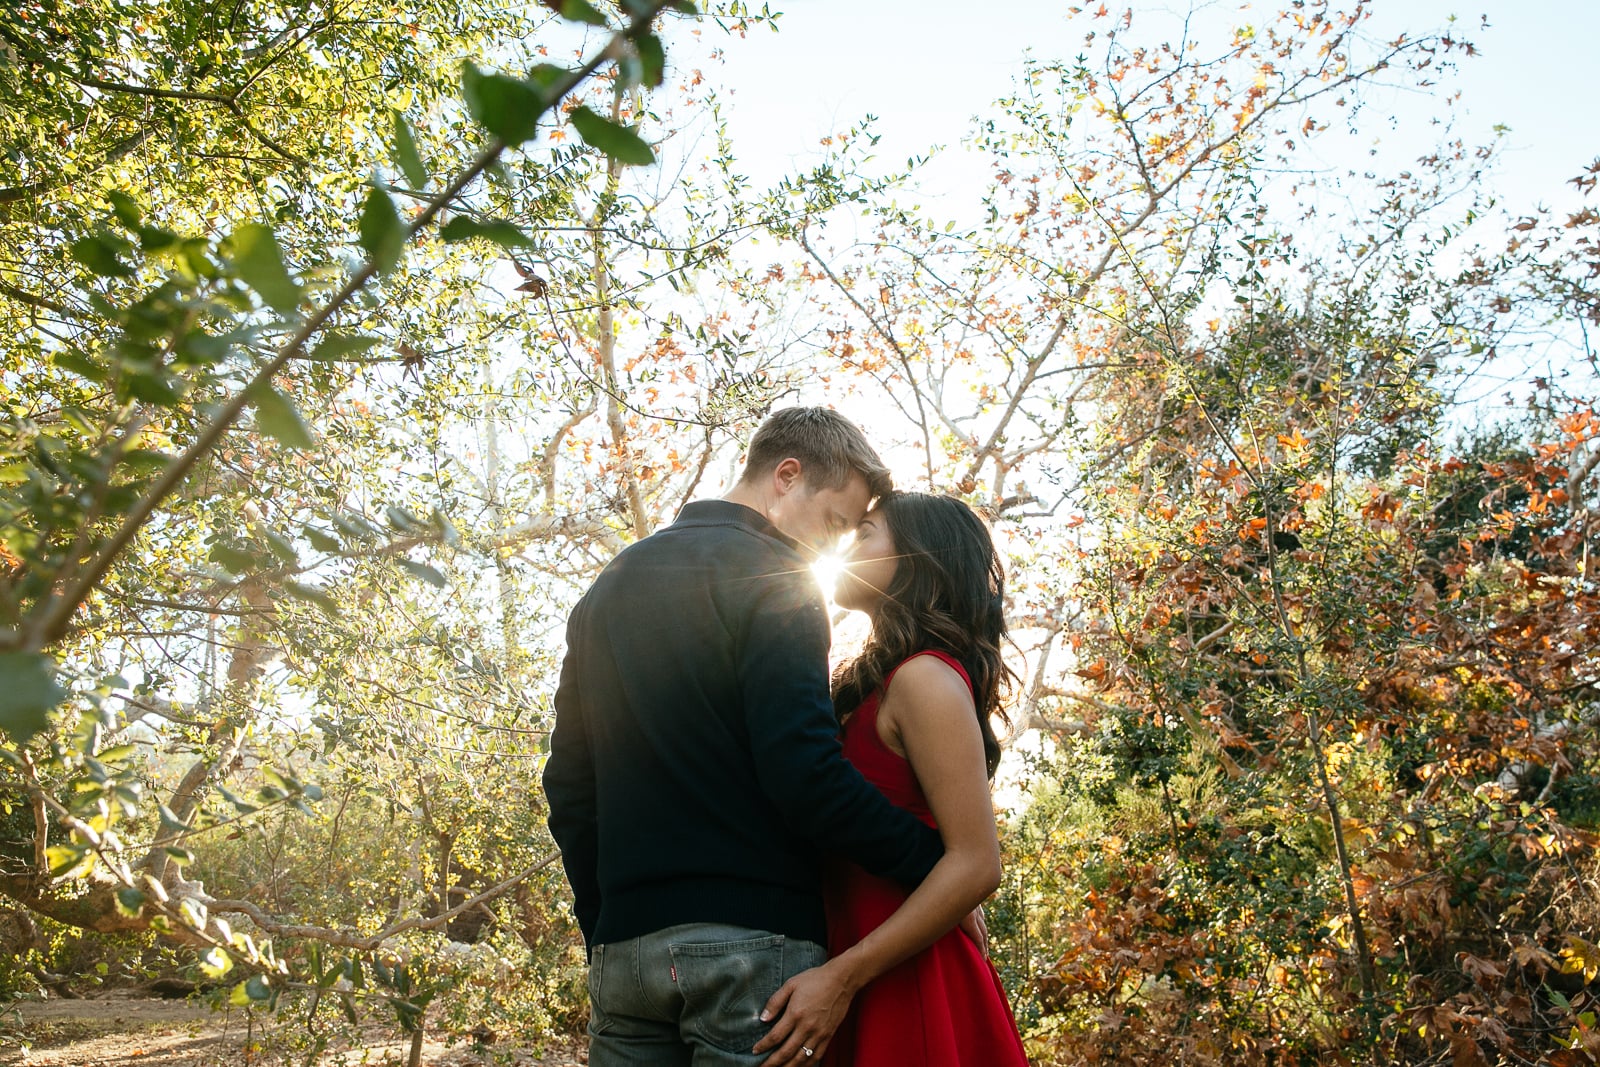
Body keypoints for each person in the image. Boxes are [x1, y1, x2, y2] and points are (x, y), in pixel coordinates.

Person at [542, 407, 948, 1067]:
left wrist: (608, 925)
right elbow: (806, 774)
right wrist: (933, 864)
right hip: (749, 950)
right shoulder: (778, 581)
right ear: (787, 476)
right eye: (836, 523)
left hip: (623, 958)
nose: (830, 547)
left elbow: (567, 784)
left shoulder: (606, 589)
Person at [751, 492, 1030, 1066]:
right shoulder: (873, 684)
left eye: (867, 532)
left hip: (907, 979)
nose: (846, 544)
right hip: (847, 966)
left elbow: (978, 862)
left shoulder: (924, 678)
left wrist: (844, 977)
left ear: (917, 559)